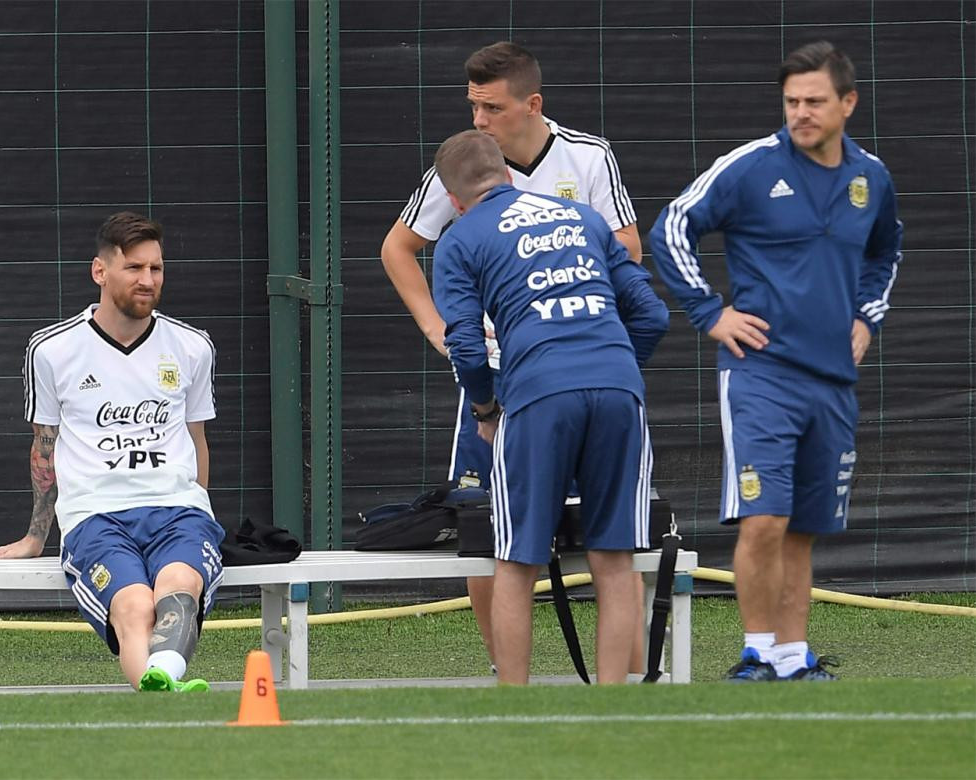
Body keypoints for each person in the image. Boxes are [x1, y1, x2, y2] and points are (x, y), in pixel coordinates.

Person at [380, 40, 647, 673]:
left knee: (616, 540)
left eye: (491, 108)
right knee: (487, 535)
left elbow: (628, 250)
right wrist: (437, 327)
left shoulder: (588, 157)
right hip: (495, 378)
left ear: (532, 105)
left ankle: (632, 688)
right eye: (472, 106)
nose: (478, 122)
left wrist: (573, 320)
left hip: (574, 366)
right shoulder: (466, 164)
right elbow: (398, 247)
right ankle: (513, 687)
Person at [649, 41, 902, 681]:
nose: (801, 112)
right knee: (764, 518)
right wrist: (711, 313)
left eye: (815, 101)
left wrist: (866, 318)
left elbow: (885, 255)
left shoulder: (871, 179)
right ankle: (756, 652)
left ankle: (793, 657)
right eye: (791, 101)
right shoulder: (751, 167)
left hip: (833, 383)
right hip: (760, 374)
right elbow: (672, 227)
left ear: (847, 103)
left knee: (803, 528)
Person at [431, 129, 668, 684]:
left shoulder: (460, 240)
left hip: (536, 396)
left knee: (516, 559)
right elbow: (652, 315)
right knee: (614, 558)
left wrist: (487, 412)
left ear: (456, 200)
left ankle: (517, 706)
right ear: (509, 174)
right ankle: (613, 709)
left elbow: (465, 345)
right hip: (618, 391)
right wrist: (613, 366)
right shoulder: (582, 218)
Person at [0, 211, 225, 693]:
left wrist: (198, 507)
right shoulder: (52, 349)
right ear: (100, 271)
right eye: (135, 268)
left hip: (177, 511)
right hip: (95, 515)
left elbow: (197, 439)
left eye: (156, 269)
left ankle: (165, 687)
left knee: (179, 588)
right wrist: (36, 537)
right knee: (134, 605)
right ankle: (163, 698)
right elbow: (44, 448)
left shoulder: (192, 346)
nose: (148, 280)